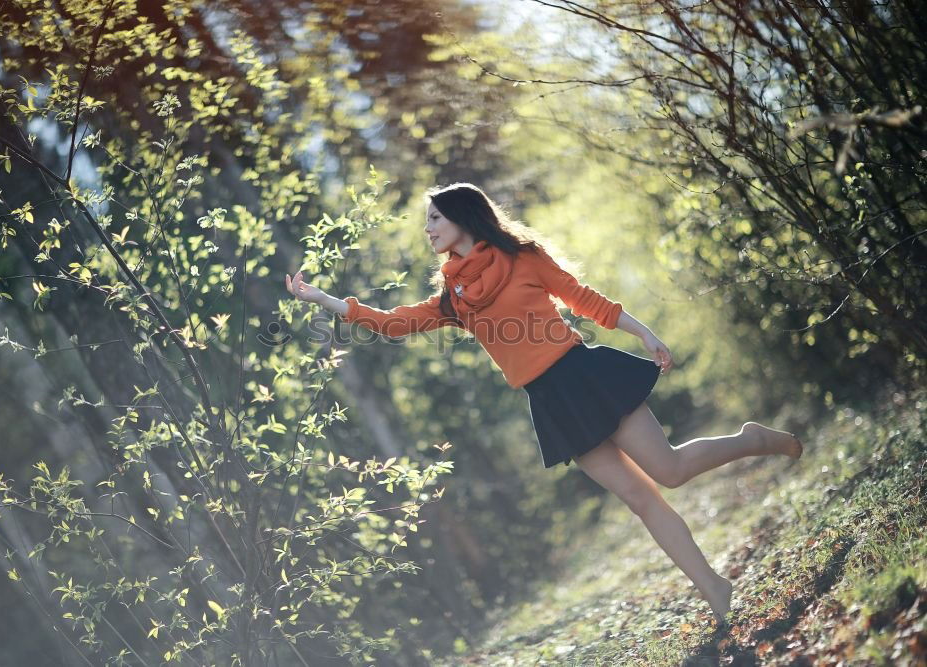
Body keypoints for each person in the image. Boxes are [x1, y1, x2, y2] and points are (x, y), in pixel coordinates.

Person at [284, 182, 803, 626]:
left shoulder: (523, 258)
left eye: (434, 218)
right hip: (550, 402)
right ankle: (714, 589)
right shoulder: (455, 299)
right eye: (427, 222)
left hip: (585, 376)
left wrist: (643, 334)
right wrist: (323, 300)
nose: (428, 229)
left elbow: (582, 297)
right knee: (640, 501)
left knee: (668, 471)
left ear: (463, 216)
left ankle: (751, 439)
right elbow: (392, 322)